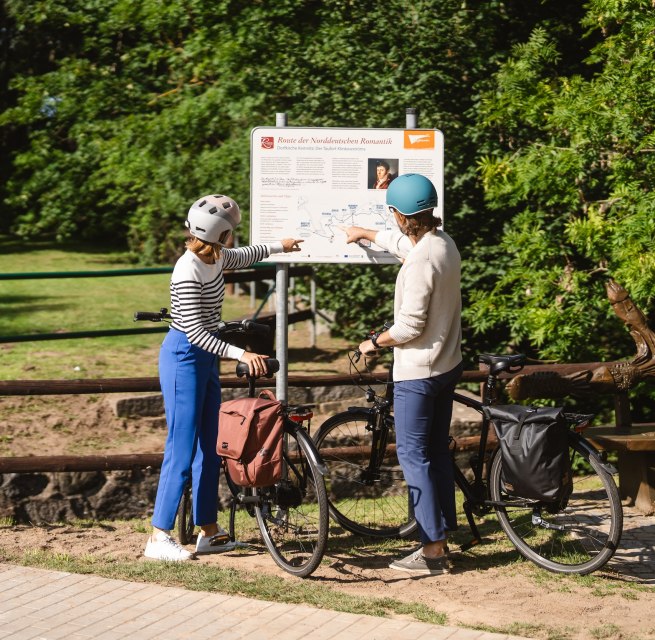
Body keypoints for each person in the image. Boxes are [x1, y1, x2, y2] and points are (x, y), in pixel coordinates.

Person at [144, 193, 303, 562]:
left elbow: (247, 255)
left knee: (210, 448)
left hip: (205, 358)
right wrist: (241, 353)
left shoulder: (214, 255)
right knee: (180, 449)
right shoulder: (188, 270)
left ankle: (208, 531)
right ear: (224, 233)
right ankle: (158, 536)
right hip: (184, 356)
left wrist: (281, 245)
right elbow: (195, 332)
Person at [343, 173, 463, 576]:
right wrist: (364, 233)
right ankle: (444, 531)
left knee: (414, 456)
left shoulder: (421, 261)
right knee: (436, 452)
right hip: (445, 366)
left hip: (419, 373)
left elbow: (410, 327)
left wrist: (374, 342)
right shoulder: (441, 244)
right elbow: (404, 246)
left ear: (399, 214)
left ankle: (431, 552)